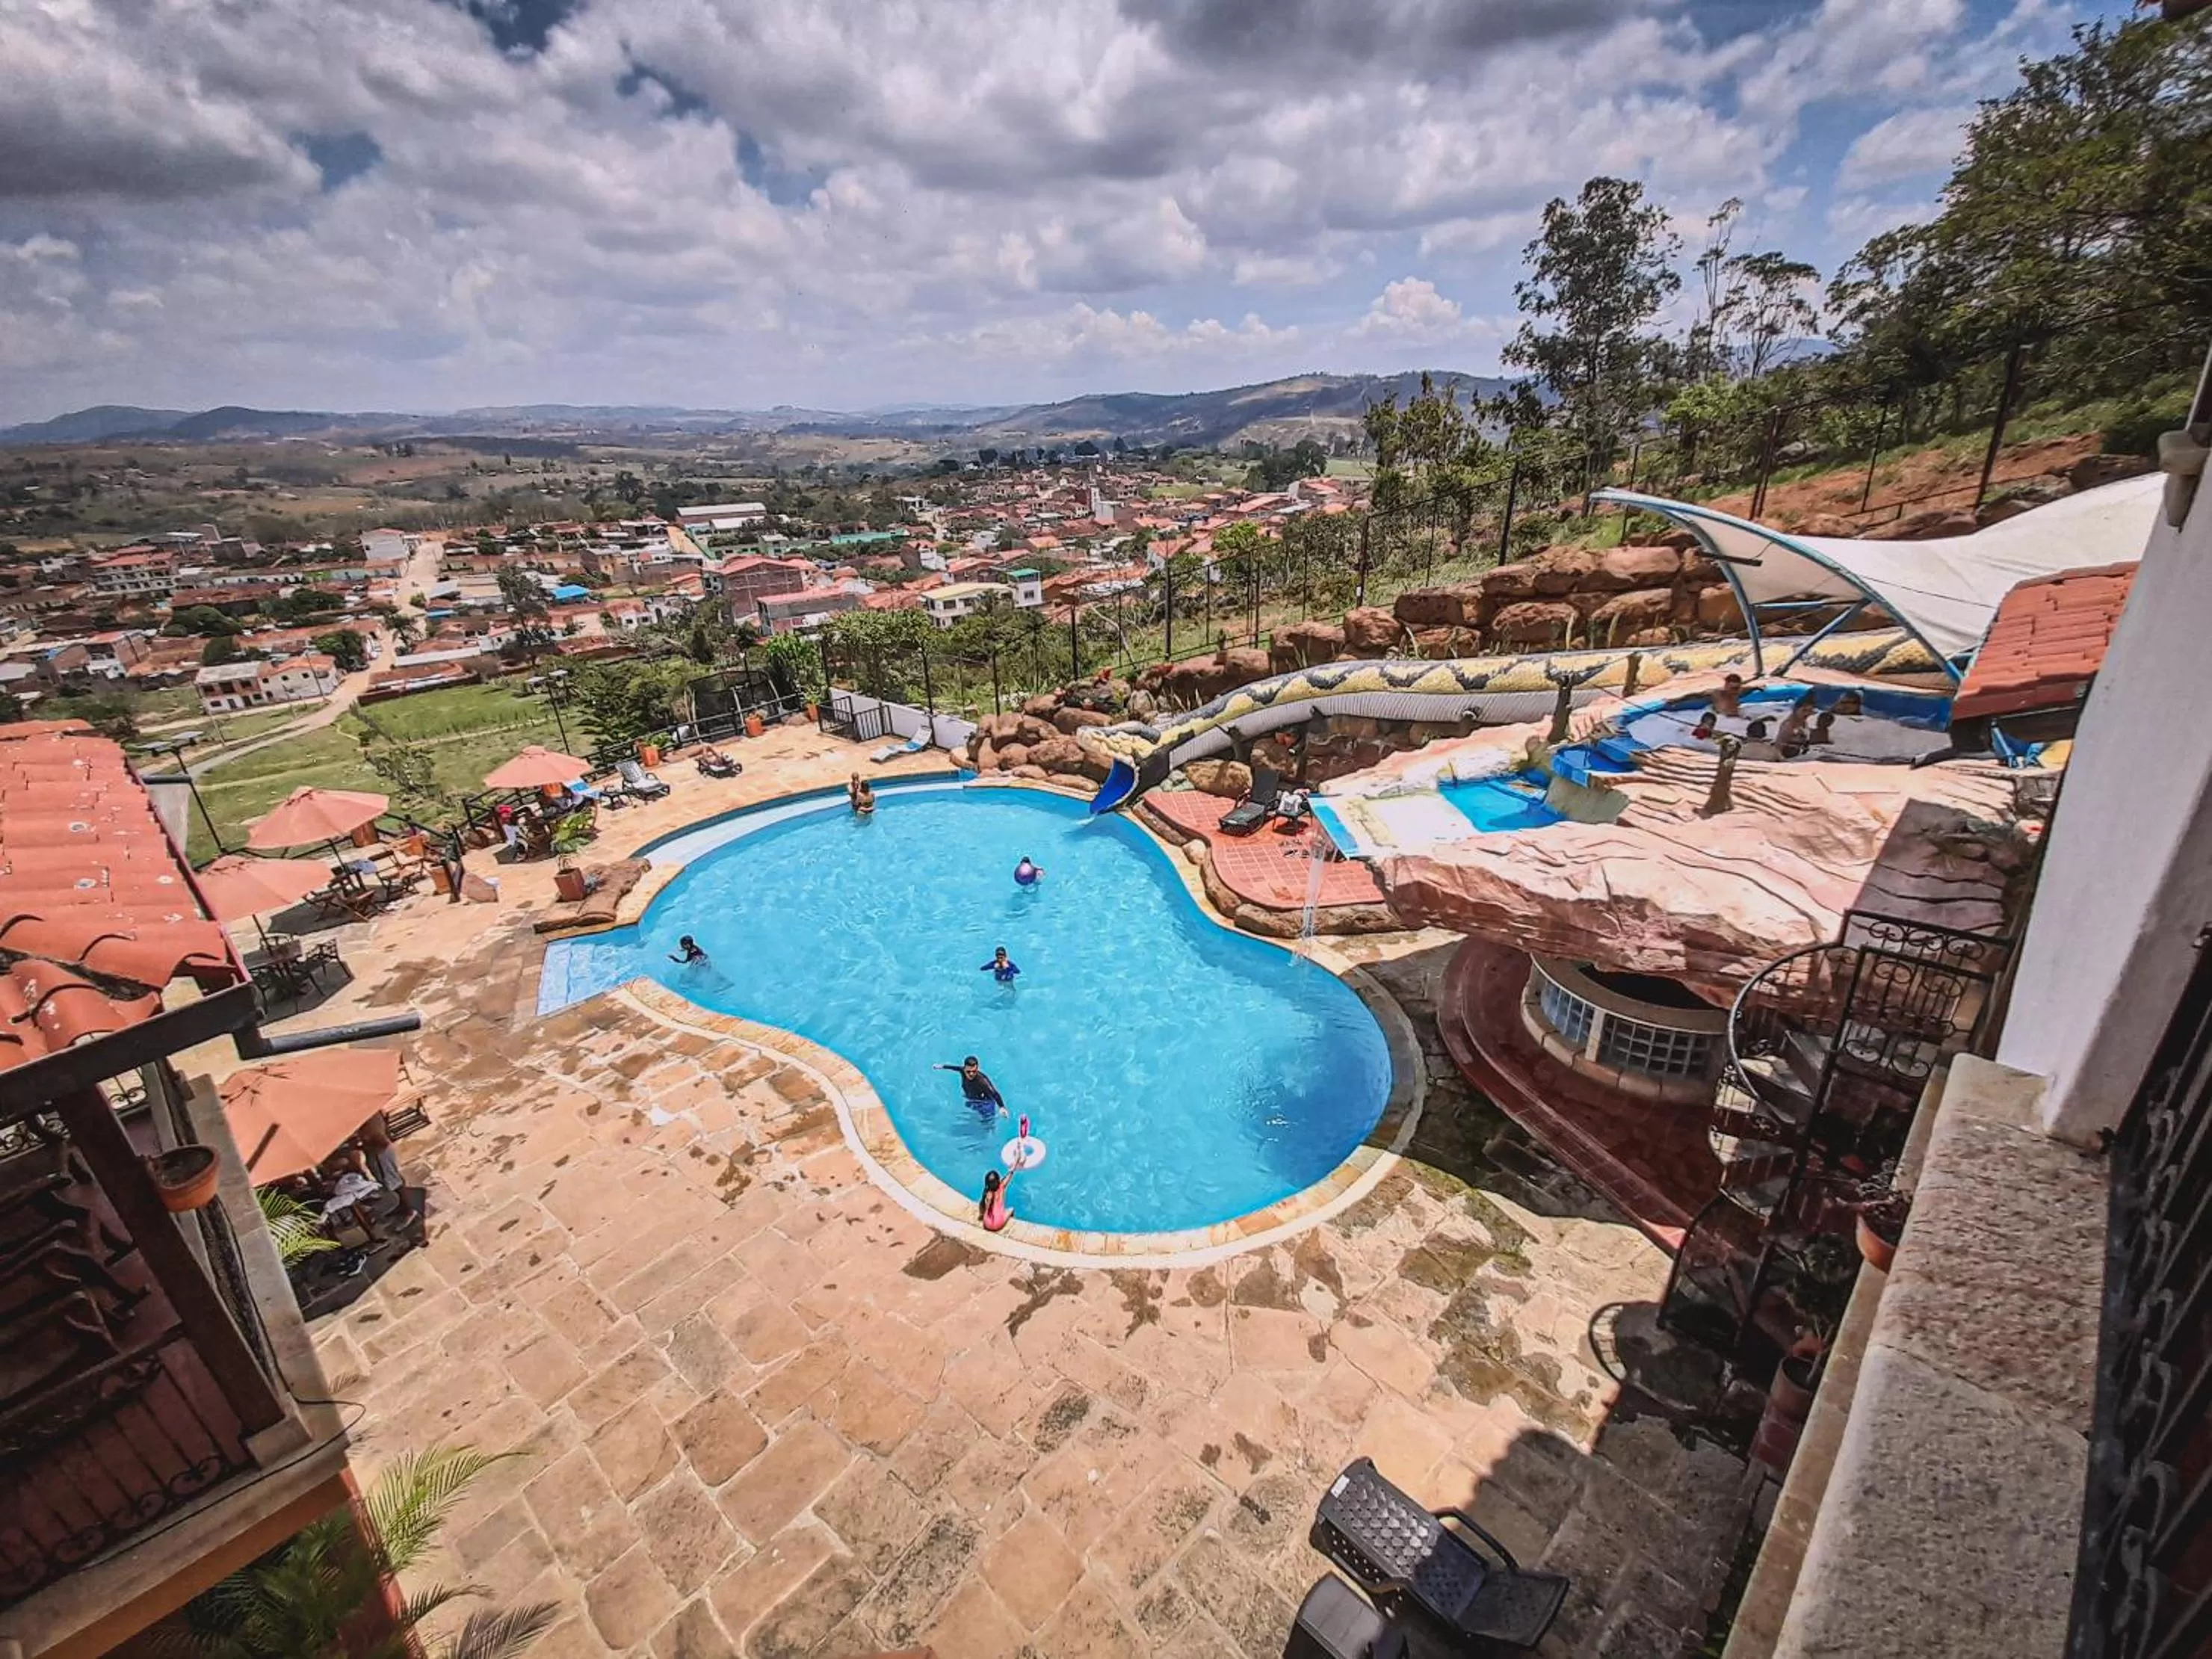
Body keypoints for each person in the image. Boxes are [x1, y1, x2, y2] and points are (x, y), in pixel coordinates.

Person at [934, 1054, 1006, 1121]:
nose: (971, 1074)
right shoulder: (962, 1070)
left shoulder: (982, 1081)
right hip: (972, 1098)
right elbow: (954, 1068)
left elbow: (994, 1093)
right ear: (964, 1069)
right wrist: (942, 1066)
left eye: (974, 1071)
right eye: (968, 1072)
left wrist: (1002, 1107)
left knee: (987, 1120)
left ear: (977, 1069)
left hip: (985, 1102)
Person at [979, 1166, 1017, 1232]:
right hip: (998, 1224)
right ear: (998, 1180)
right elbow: (1010, 1174)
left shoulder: (988, 1193)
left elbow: (983, 1210)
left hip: (986, 1223)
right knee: (1012, 1209)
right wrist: (1016, 1162)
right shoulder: (1002, 1186)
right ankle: (1010, 1221)